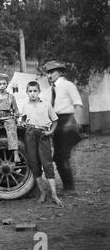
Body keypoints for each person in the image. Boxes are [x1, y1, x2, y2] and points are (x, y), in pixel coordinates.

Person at [43, 60, 83, 196]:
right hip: (56, 123)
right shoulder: (49, 90)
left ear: (60, 72)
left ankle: (70, 188)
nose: (49, 75)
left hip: (68, 121)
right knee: (58, 157)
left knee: (63, 156)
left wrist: (76, 124)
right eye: (47, 73)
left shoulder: (68, 85)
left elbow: (78, 104)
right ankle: (68, 187)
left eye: (52, 72)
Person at [22, 81, 64, 207]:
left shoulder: (46, 104)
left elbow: (55, 120)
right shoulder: (25, 106)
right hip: (30, 134)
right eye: (30, 91)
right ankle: (42, 193)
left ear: (39, 91)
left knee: (47, 163)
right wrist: (24, 123)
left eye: (35, 91)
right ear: (27, 93)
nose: (33, 94)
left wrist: (50, 132)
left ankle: (54, 195)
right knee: (34, 163)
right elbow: (22, 120)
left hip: (42, 134)